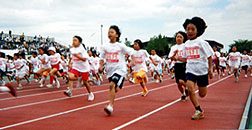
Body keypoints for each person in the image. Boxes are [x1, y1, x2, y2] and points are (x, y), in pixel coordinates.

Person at [182, 17, 214, 120]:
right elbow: (186, 58)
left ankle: (202, 88)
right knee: (190, 88)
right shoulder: (186, 44)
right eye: (188, 29)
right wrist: (177, 58)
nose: (190, 32)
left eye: (192, 29)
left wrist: (210, 70)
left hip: (202, 71)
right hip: (190, 70)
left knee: (202, 94)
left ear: (198, 30)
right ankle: (198, 110)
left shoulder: (202, 43)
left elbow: (209, 56)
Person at [99, 25, 135, 115]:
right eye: (108, 32)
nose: (109, 34)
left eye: (112, 32)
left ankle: (110, 106)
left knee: (111, 85)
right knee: (115, 89)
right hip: (110, 70)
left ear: (117, 35)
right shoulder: (104, 46)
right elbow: (101, 57)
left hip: (120, 69)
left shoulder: (120, 46)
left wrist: (133, 61)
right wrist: (100, 65)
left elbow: (131, 52)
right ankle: (121, 82)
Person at [64, 36, 94, 101]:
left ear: (80, 42)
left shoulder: (82, 50)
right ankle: (70, 90)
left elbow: (84, 59)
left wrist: (77, 56)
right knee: (70, 76)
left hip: (84, 67)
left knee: (85, 82)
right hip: (76, 66)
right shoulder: (72, 49)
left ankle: (90, 93)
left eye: (75, 40)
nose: (73, 42)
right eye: (73, 40)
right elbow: (72, 58)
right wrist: (70, 63)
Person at [169, 31, 188, 101]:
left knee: (181, 81)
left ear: (183, 38)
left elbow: (187, 59)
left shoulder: (185, 46)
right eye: (177, 37)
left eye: (180, 37)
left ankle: (188, 88)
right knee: (178, 84)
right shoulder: (173, 47)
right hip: (177, 65)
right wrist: (174, 55)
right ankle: (183, 94)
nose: (179, 38)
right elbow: (171, 58)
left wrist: (179, 58)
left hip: (185, 65)